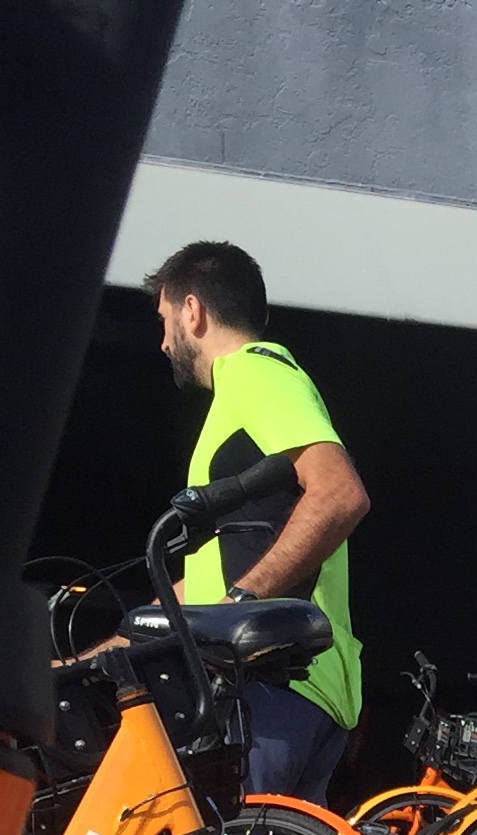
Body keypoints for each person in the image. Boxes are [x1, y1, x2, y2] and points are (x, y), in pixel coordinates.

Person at [149, 240, 371, 803]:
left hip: (274, 687)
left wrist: (240, 606)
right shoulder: (242, 395)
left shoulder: (256, 374)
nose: (164, 341)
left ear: (192, 311)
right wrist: (112, 645)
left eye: (165, 319)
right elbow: (216, 573)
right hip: (293, 688)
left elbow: (340, 494)